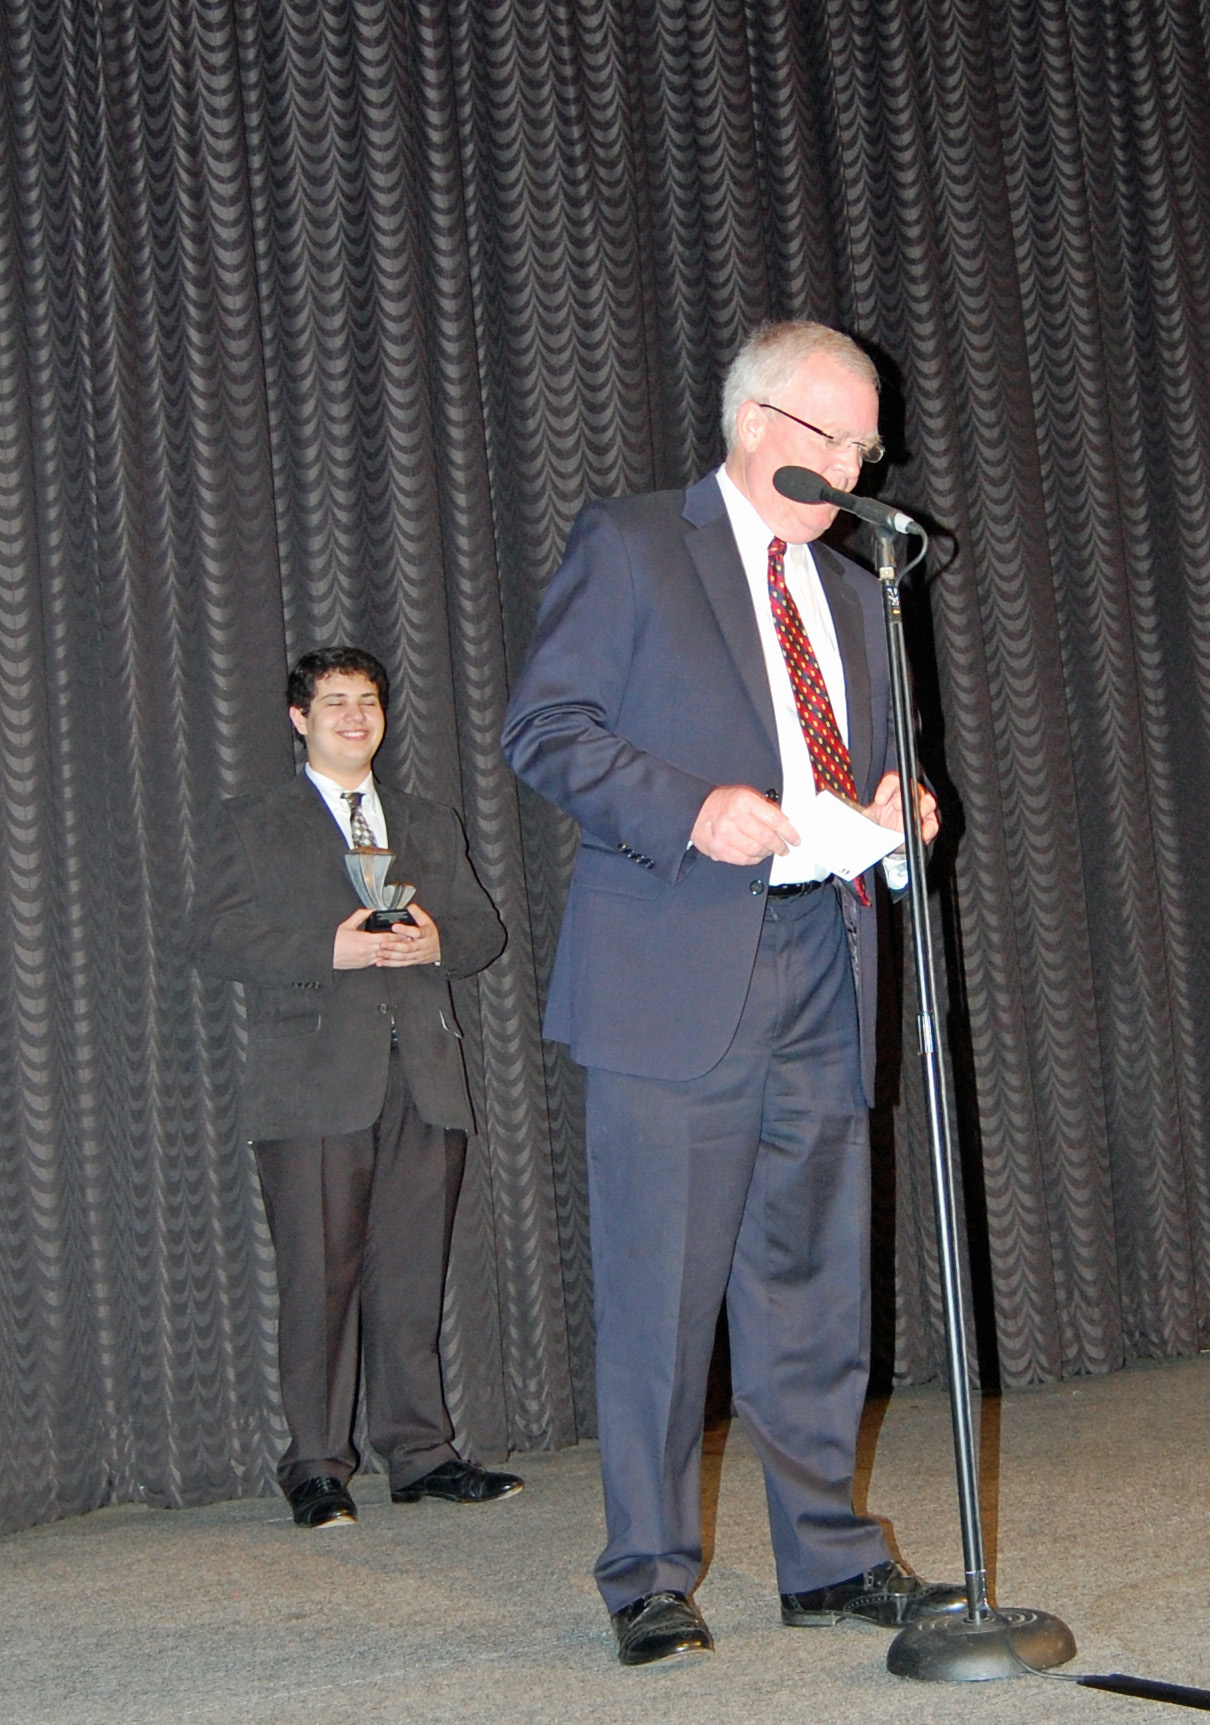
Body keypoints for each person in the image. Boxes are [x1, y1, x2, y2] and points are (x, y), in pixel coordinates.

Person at [502, 322, 960, 1664]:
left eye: (869, 445)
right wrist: (690, 808)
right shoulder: (638, 544)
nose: (859, 468)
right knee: (661, 1293)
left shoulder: (861, 590)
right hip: (677, 967)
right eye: (840, 438)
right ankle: (646, 1574)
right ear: (759, 424)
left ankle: (828, 1556)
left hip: (827, 952)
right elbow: (547, 728)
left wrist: (904, 805)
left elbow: (866, 765)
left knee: (813, 1282)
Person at [196, 647, 521, 1528]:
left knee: (412, 1277)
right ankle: (315, 1465)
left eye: (367, 700)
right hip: (312, 1082)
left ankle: (421, 1454)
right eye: (334, 700)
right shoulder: (250, 822)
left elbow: (483, 930)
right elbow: (213, 938)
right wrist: (327, 950)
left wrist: (437, 942)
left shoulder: (426, 819)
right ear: (298, 718)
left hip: (425, 1076)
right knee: (319, 1281)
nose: (354, 715)